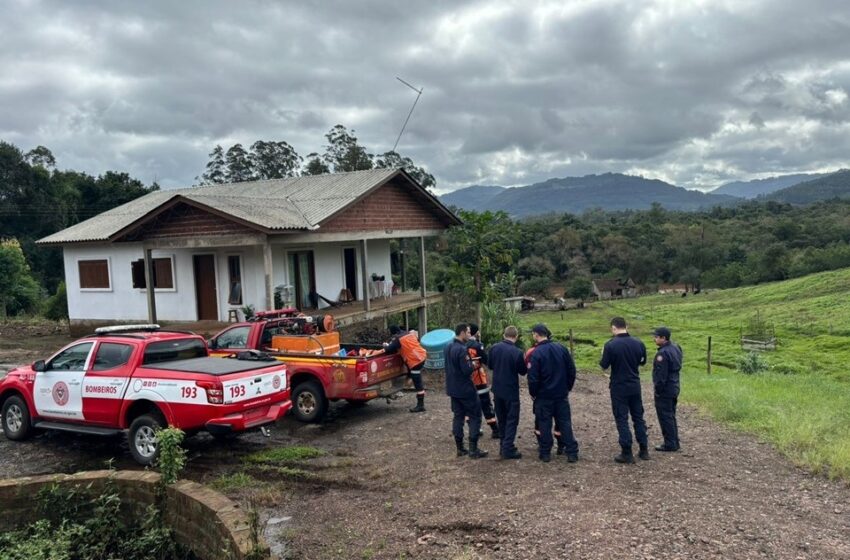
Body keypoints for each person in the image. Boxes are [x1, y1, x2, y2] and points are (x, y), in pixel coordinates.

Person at [599, 317, 649, 463]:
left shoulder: (610, 345)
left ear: (613, 328)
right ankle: (644, 449)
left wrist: (604, 353)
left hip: (619, 385)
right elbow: (643, 362)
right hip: (635, 384)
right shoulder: (639, 343)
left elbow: (604, 365)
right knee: (638, 417)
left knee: (622, 418)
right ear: (626, 326)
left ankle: (627, 452)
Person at [527, 323, 579, 463]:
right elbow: (571, 370)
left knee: (544, 424)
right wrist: (568, 387)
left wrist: (533, 393)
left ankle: (545, 453)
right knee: (565, 423)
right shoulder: (561, 348)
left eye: (533, 334)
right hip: (561, 394)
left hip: (544, 396)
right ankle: (572, 452)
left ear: (536, 335)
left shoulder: (536, 353)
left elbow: (533, 377)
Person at [445, 323, 487, 459]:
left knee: (458, 417)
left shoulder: (448, 347)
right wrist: (473, 365)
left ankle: (460, 448)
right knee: (475, 416)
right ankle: (473, 449)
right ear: (462, 333)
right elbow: (466, 370)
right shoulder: (462, 350)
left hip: (452, 388)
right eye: (468, 332)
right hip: (465, 389)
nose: (470, 335)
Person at [488, 326, 527, 459]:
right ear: (516, 337)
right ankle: (507, 448)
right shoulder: (517, 352)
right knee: (512, 419)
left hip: (497, 389)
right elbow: (523, 371)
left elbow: (490, 365)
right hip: (510, 390)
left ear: (504, 335)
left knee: (502, 418)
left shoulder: (494, 348)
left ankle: (503, 445)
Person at [381, 325, 427, 413]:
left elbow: (389, 349)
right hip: (421, 356)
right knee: (415, 376)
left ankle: (421, 405)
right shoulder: (408, 334)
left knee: (418, 382)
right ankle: (410, 378)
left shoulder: (398, 339)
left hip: (415, 360)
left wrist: (385, 346)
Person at [652, 327, 683, 452]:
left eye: (656, 336)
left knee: (665, 416)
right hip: (675, 385)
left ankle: (670, 443)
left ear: (663, 338)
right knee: (671, 415)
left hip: (665, 389)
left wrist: (658, 390)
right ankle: (674, 441)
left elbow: (661, 375)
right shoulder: (676, 348)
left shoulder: (662, 354)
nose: (654, 339)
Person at [468, 323, 499, 439]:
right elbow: (487, 361)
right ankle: (495, 430)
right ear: (476, 333)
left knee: (470, 404)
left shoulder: (461, 345)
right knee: (486, 403)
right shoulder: (477, 346)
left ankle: (475, 428)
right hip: (478, 379)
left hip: (466, 379)